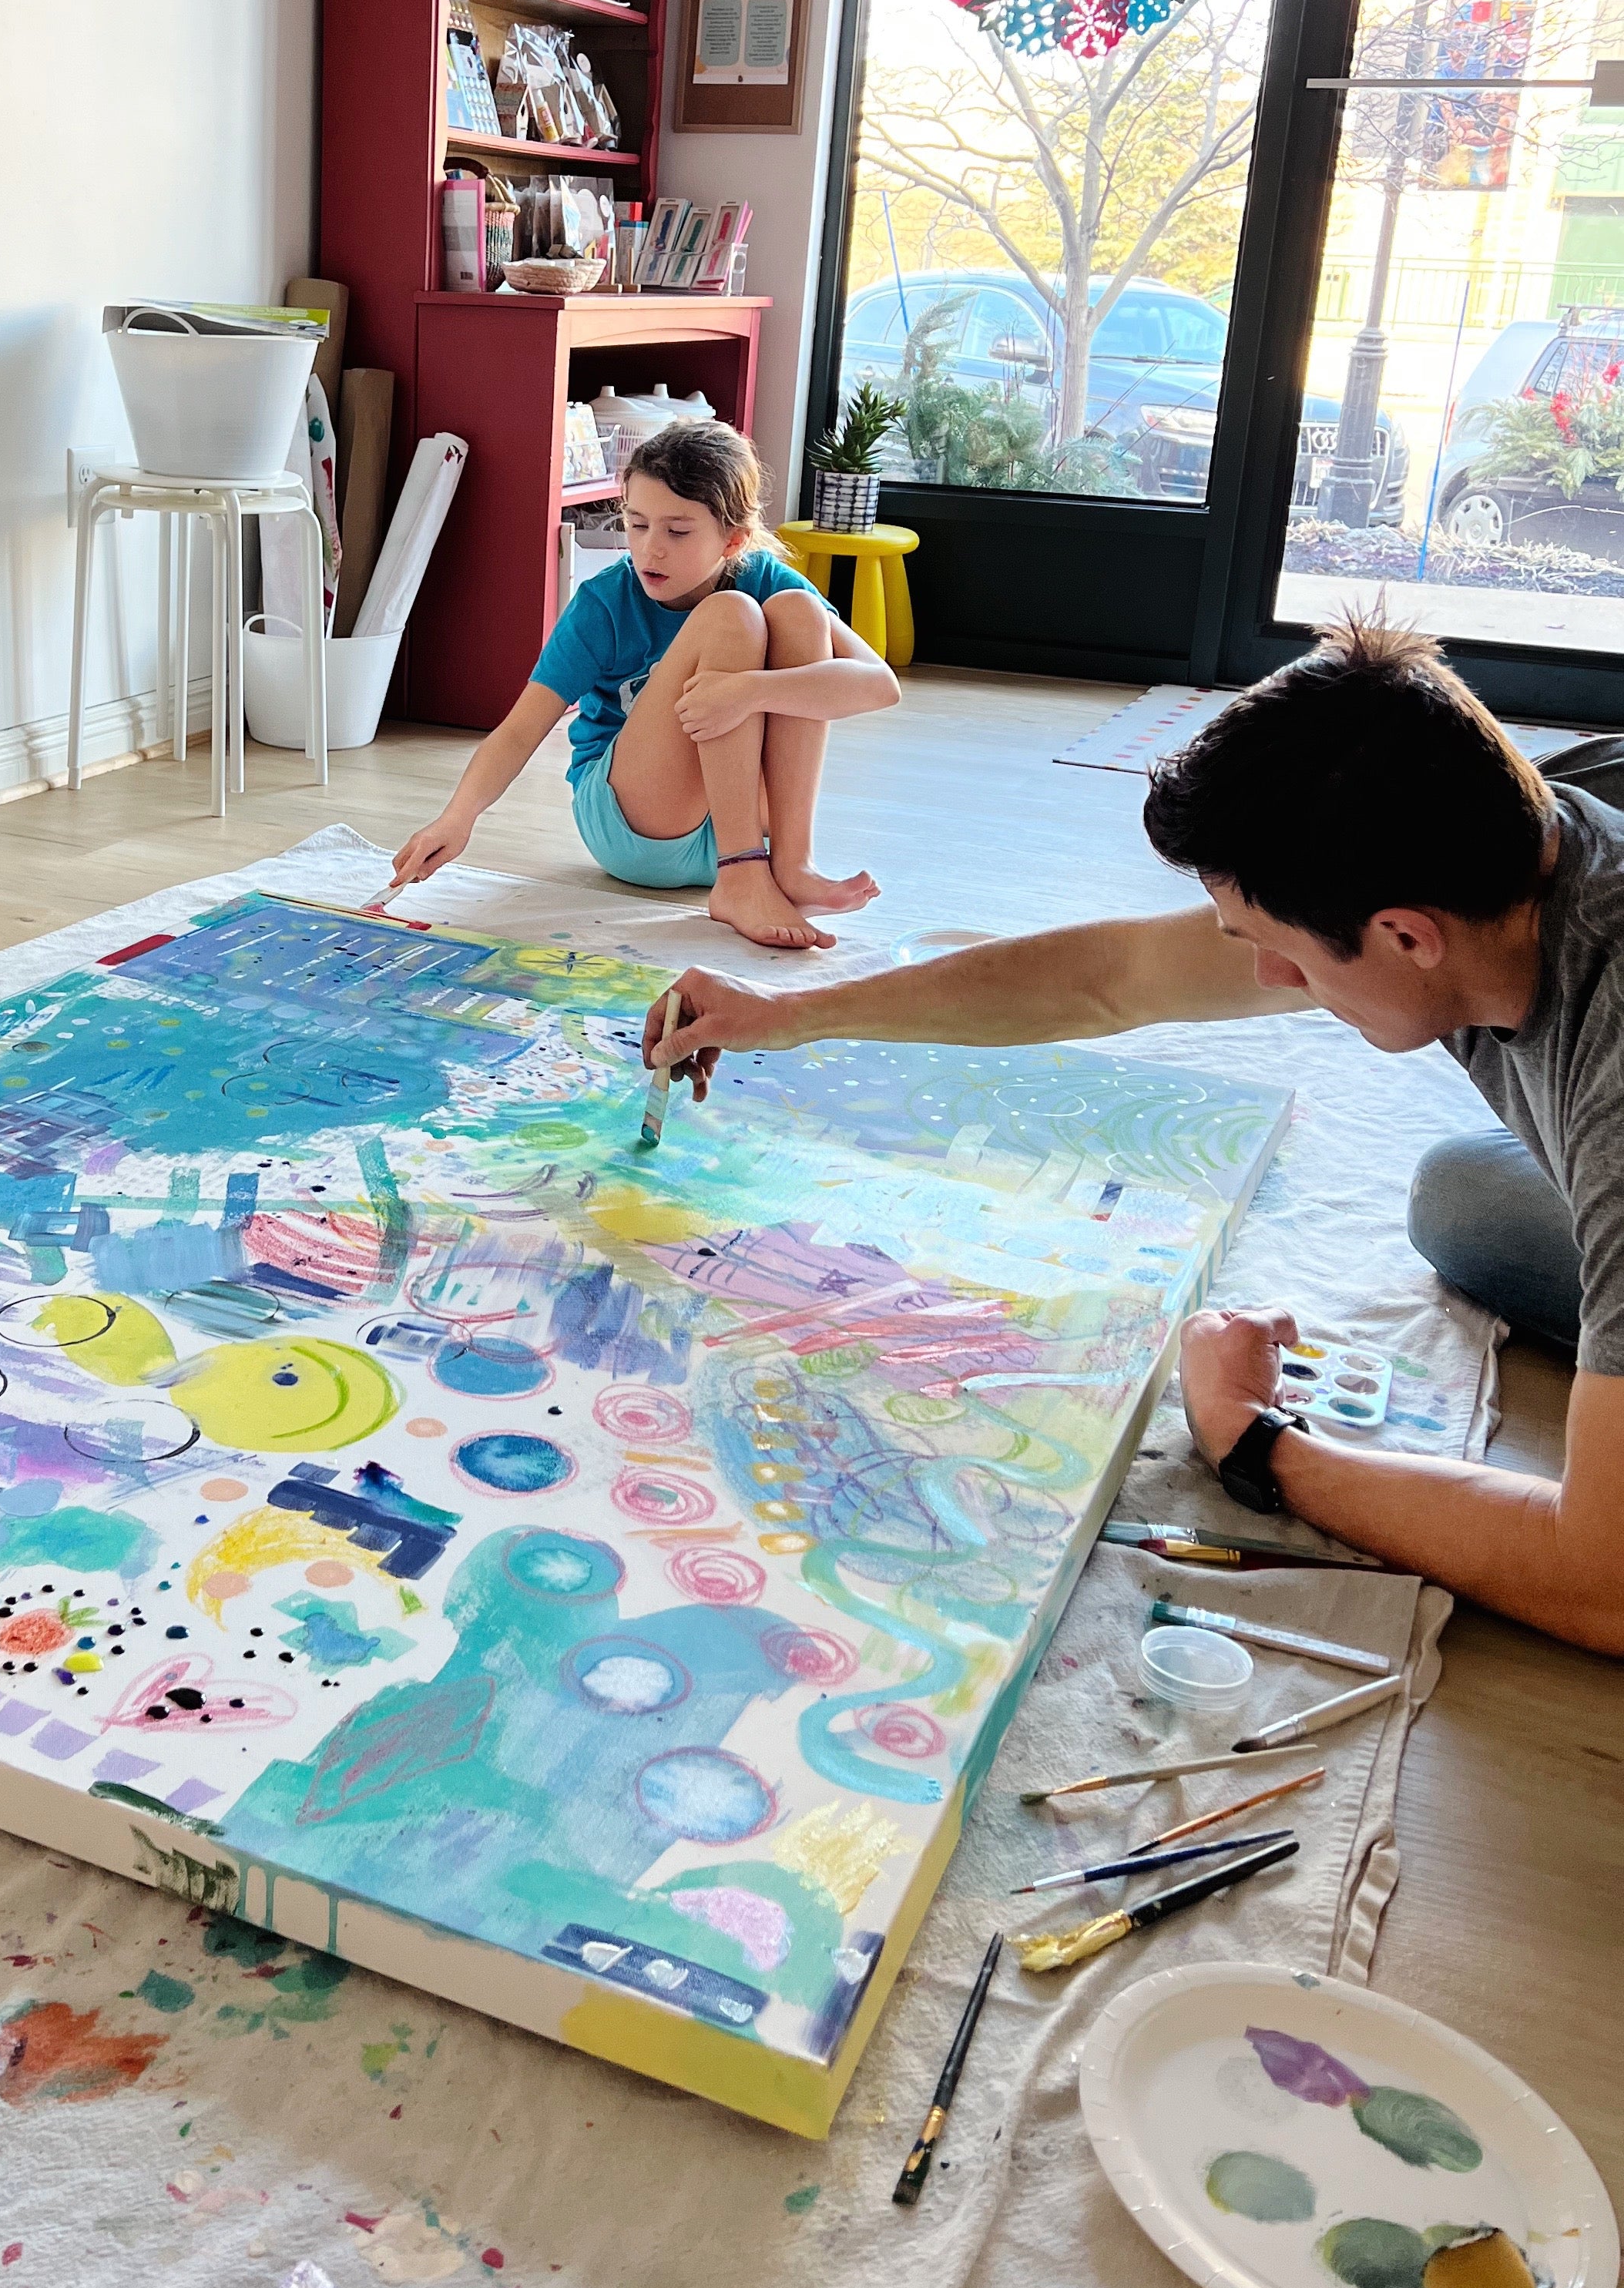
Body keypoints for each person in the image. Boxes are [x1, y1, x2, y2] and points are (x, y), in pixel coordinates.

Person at [639, 616, 1624, 1656]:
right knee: (1458, 1198)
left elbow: (1602, 1579)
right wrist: (790, 1015)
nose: (1265, 980)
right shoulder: (1491, 826)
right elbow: (1112, 980)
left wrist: (1256, 1442)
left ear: (1408, 936)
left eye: (1282, 954)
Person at [388, 418, 900, 949]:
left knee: (797, 613)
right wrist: (456, 819)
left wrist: (750, 691)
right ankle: (742, 875)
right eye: (636, 524)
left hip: (745, 819)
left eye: (677, 532)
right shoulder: (605, 601)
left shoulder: (767, 578)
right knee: (731, 616)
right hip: (636, 823)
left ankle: (792, 866)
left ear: (733, 539)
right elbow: (520, 731)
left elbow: (880, 685)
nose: (651, 549)